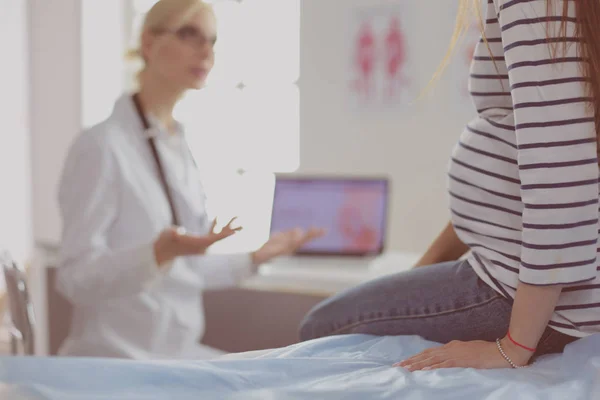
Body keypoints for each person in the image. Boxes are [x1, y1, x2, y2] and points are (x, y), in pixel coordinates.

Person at [300, 0, 600, 371]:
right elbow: (515, 184)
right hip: (518, 270)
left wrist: (514, 346)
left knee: (322, 325)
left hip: (533, 296)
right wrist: (420, 274)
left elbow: (562, 176)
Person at [56, 0, 322, 360]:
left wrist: (257, 257)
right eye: (189, 34)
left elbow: (185, 272)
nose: (205, 52)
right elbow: (74, 279)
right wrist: (156, 253)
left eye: (212, 40)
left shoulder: (177, 145)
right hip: (115, 360)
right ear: (148, 44)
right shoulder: (101, 147)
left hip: (173, 354)